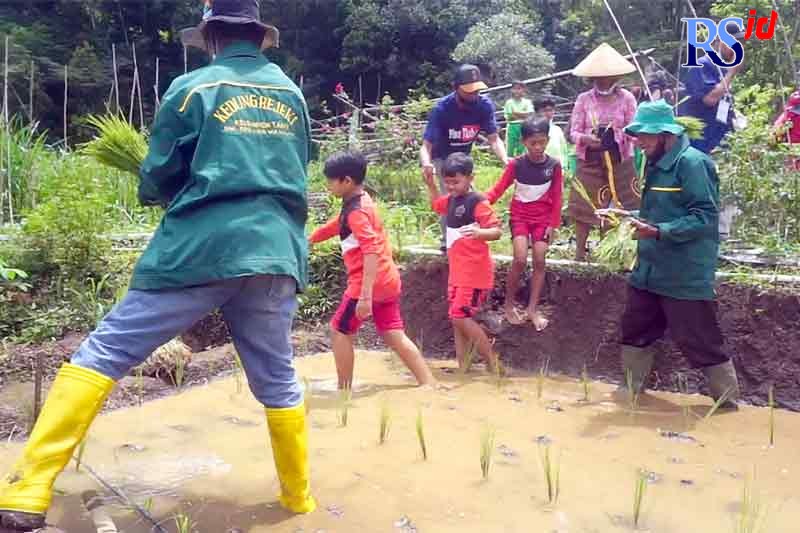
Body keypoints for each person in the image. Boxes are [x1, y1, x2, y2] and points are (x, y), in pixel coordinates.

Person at [0, 1, 318, 529]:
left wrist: (167, 189)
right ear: (260, 38)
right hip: (277, 250)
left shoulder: (192, 89)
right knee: (279, 378)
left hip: (201, 248)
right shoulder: (293, 94)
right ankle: (299, 501)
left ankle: (29, 490)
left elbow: (158, 175)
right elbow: (295, 166)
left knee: (104, 352)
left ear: (211, 36)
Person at [617, 99, 740, 409]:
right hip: (649, 268)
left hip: (684, 271)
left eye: (646, 135)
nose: (640, 141)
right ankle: (631, 394)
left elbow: (704, 217)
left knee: (699, 339)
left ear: (666, 135)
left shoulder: (694, 163)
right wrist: (628, 217)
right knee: (636, 329)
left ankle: (728, 404)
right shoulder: (654, 161)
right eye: (639, 135)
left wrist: (659, 231)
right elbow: (657, 211)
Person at [309, 152, 436, 390]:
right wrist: (312, 239)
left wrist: (365, 296)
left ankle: (344, 390)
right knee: (393, 334)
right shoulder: (361, 201)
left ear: (346, 181)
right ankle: (428, 383)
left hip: (368, 284)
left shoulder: (356, 211)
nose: (327, 186)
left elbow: (370, 250)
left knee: (339, 331)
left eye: (330, 181)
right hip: (388, 280)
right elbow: (339, 224)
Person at [423, 153, 502, 373]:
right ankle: (463, 366)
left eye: (455, 182)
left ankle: (493, 364)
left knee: (459, 316)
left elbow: (496, 232)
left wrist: (479, 232)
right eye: (447, 182)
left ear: (470, 178)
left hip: (474, 272)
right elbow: (437, 205)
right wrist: (431, 183)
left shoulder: (477, 202)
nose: (450, 187)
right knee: (458, 319)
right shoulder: (450, 200)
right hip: (458, 273)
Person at [420, 64, 509, 250]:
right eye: (469, 91)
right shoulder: (442, 109)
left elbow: (494, 139)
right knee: (451, 199)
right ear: (456, 88)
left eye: (477, 90)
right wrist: (427, 164)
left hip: (463, 159)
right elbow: (426, 145)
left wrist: (504, 159)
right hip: (443, 159)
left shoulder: (484, 106)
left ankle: (471, 238)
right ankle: (449, 243)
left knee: (468, 198)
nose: (473, 95)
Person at [485, 118, 563, 330]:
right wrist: (480, 203)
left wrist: (552, 224)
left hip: (543, 219)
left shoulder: (554, 166)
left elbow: (557, 197)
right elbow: (498, 188)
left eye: (542, 142)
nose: (538, 147)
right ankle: (509, 306)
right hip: (520, 217)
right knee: (519, 259)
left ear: (547, 139)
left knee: (539, 258)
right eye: (532, 143)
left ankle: (531, 309)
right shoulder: (516, 164)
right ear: (523, 142)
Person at [568, 43, 640, 261]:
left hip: (620, 159)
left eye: (607, 77)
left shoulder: (626, 98)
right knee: (582, 204)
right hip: (590, 159)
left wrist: (617, 134)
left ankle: (610, 250)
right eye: (598, 78)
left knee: (622, 204)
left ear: (615, 77)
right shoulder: (584, 100)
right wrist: (587, 139)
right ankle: (580, 252)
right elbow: (573, 131)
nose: (603, 81)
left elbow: (635, 128)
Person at [678, 21, 746, 154]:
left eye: (741, 42)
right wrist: (732, 72)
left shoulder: (724, 67)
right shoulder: (702, 65)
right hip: (702, 141)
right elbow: (710, 99)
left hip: (722, 138)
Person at [534, 96, 569, 168]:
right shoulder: (533, 130)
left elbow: (564, 151)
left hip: (557, 168)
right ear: (537, 112)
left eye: (550, 110)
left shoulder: (557, 130)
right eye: (545, 110)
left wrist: (564, 166)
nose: (548, 113)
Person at [504, 81, 534, 157]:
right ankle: (509, 164)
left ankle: (521, 164)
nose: (517, 91)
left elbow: (530, 115)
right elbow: (509, 118)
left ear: (523, 90)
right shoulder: (509, 103)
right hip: (512, 126)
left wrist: (516, 113)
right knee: (510, 148)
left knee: (522, 147)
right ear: (511, 90)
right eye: (514, 89)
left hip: (524, 126)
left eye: (519, 88)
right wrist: (523, 114)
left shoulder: (527, 102)